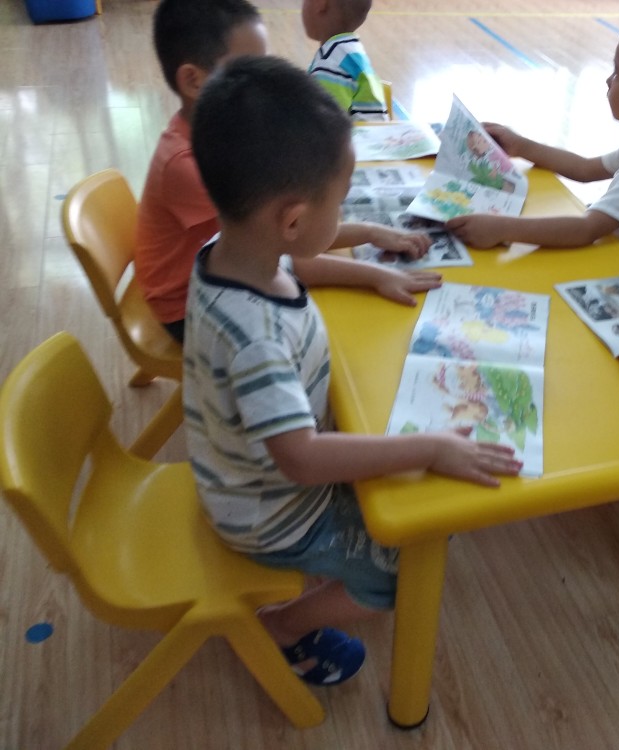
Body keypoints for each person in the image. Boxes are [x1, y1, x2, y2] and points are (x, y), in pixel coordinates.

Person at [185, 55, 523, 686]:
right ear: (292, 221)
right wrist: (428, 447)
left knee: (408, 486)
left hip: (251, 470)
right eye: (339, 205)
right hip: (267, 513)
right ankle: (283, 626)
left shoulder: (230, 252)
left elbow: (300, 265)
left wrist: (372, 272)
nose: (344, 217)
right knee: (405, 565)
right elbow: (301, 459)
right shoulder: (255, 339)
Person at [136, 0, 427, 343]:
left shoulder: (228, 135)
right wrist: (375, 274)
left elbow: (290, 234)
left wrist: (370, 232)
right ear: (193, 80)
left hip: (220, 277)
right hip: (185, 308)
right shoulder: (189, 167)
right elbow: (287, 250)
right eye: (247, 71)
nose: (265, 87)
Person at [446, 14, 619, 292]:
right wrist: (520, 146)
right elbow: (585, 169)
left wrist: (500, 229)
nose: (608, 81)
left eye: (617, 73)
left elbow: (586, 229)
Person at [302, 0, 388, 121]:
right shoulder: (350, 51)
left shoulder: (330, 63)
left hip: (358, 133)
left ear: (320, 4)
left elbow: (329, 126)